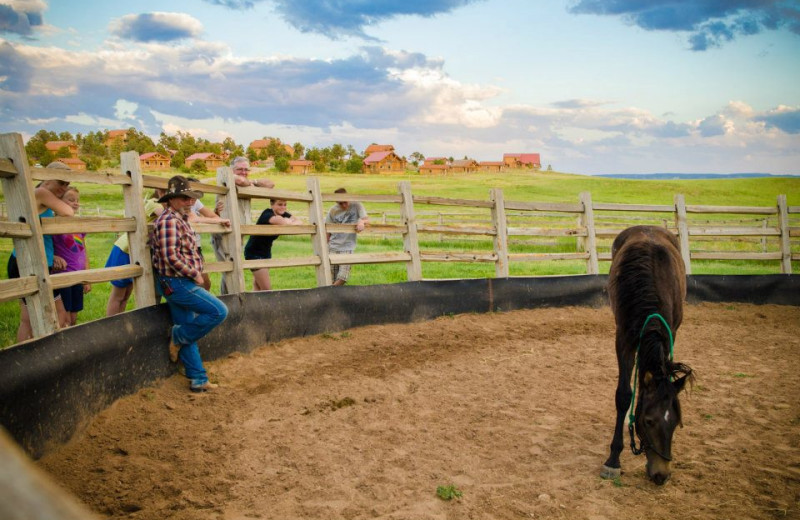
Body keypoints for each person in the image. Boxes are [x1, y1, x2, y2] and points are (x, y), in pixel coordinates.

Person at [151, 175, 228, 393]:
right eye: (184, 198)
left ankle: (198, 378)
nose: (190, 202)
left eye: (191, 198)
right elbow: (169, 256)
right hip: (177, 282)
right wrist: (194, 273)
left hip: (177, 281)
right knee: (218, 311)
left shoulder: (179, 219)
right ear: (171, 199)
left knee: (187, 325)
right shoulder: (168, 222)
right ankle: (177, 336)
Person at [6, 161, 75, 341]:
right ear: (47, 177)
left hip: (35, 259)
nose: (64, 188)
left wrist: (54, 255)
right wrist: (63, 201)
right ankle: (34, 356)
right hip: (27, 261)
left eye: (67, 184)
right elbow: (68, 212)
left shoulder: (38, 194)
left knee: (48, 315)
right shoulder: (41, 193)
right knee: (44, 317)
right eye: (61, 182)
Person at [211, 156, 274, 294]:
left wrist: (252, 182)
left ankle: (229, 300)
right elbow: (239, 180)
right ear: (231, 169)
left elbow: (270, 184)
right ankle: (229, 299)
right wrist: (249, 183)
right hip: (224, 230)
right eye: (240, 169)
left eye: (246, 169)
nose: (244, 172)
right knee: (229, 268)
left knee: (234, 267)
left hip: (239, 231)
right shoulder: (226, 176)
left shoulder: (247, 182)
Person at [104, 188, 166, 316]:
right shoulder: (153, 203)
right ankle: (112, 325)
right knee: (118, 294)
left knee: (127, 293)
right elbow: (165, 217)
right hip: (126, 249)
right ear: (160, 192)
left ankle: (119, 321)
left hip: (137, 251)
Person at [243, 199, 303, 291]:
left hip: (265, 252)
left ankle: (252, 305)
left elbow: (299, 222)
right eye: (279, 204)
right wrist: (287, 221)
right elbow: (282, 223)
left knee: (258, 286)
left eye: (285, 204)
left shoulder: (282, 214)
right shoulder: (267, 213)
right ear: (272, 205)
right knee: (266, 289)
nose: (283, 207)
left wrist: (288, 221)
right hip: (255, 253)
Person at [52, 186, 90, 327]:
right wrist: (54, 256)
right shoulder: (54, 223)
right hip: (64, 276)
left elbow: (84, 250)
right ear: (58, 201)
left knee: (74, 318)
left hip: (78, 277)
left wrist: (87, 277)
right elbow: (46, 246)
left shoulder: (77, 224)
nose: (75, 203)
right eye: (71, 200)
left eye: (77, 200)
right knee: (65, 319)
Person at [186, 177, 231, 291]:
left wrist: (212, 217)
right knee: (197, 283)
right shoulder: (183, 203)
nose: (193, 200)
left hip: (196, 246)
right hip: (185, 248)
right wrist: (218, 220)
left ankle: (200, 308)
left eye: (197, 196)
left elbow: (212, 216)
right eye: (192, 195)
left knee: (205, 283)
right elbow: (194, 218)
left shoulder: (195, 202)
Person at [326, 188, 368, 286]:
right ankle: (333, 297)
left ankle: (329, 293)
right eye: (340, 203)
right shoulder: (333, 210)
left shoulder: (357, 205)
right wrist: (325, 246)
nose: (344, 205)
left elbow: (366, 220)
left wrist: (361, 222)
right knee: (331, 277)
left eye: (345, 202)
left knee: (343, 277)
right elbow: (327, 230)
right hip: (333, 246)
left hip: (347, 247)